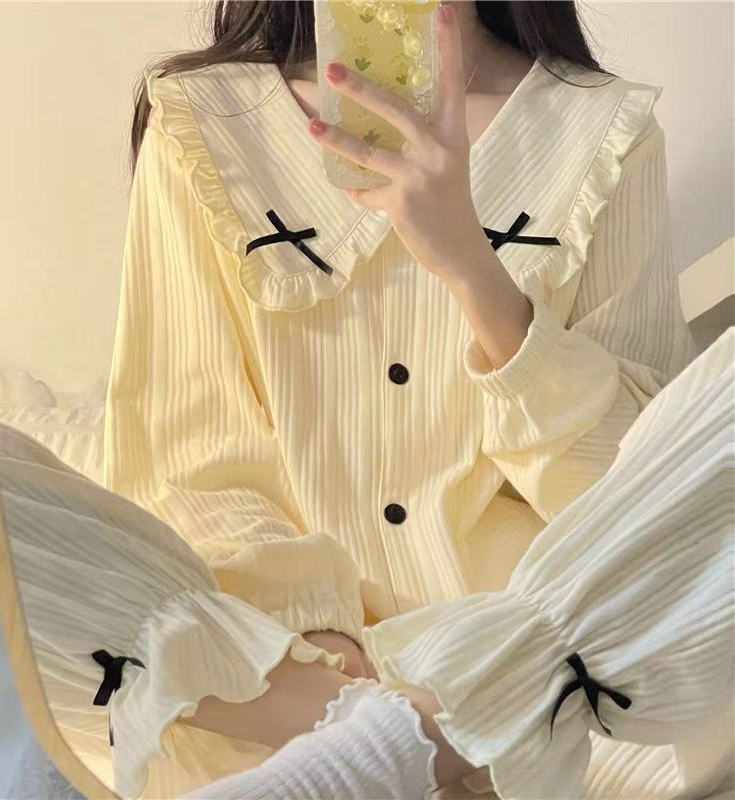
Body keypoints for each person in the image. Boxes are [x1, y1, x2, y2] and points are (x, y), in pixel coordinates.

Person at [84, 0, 700, 795]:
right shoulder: (205, 123)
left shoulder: (601, 131)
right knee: (30, 528)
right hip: (280, 685)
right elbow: (187, 461)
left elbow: (643, 497)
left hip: (527, 667)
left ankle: (423, 737)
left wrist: (475, 271)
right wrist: (332, 665)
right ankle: (409, 737)